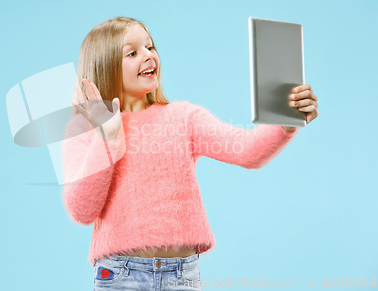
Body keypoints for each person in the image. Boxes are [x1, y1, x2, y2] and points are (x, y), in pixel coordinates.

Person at [61, 17, 319, 291]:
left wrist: (285, 123)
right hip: (120, 277)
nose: (149, 56)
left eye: (150, 47)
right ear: (106, 66)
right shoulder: (85, 129)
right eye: (133, 52)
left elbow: (246, 150)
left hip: (181, 276)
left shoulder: (184, 117)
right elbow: (82, 211)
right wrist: (107, 139)